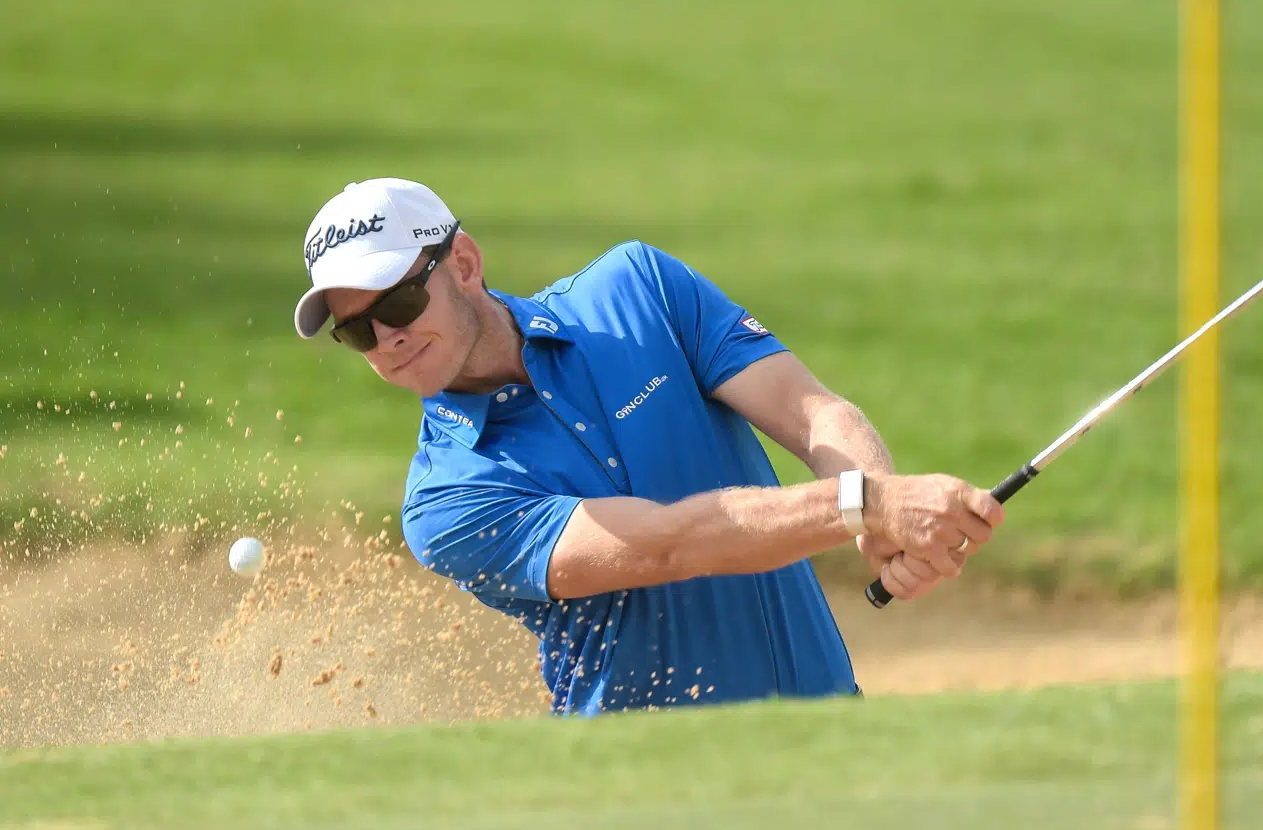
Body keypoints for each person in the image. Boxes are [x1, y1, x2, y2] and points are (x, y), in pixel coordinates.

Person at [293, 178, 1004, 715]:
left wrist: (879, 512)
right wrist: (866, 504)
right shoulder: (447, 498)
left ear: (465, 263)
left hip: (832, 732)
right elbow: (668, 546)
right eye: (356, 332)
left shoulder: (638, 291)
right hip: (656, 794)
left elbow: (810, 411)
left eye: (398, 303)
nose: (387, 340)